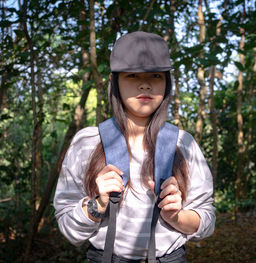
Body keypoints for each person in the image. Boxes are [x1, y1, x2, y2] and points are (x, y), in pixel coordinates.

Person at [54, 31, 215, 263]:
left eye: (155, 76)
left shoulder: (183, 143)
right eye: (132, 75)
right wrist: (97, 205)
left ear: (167, 83)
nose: (145, 85)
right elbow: (68, 229)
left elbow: (206, 220)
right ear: (114, 81)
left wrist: (176, 216)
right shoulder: (87, 142)